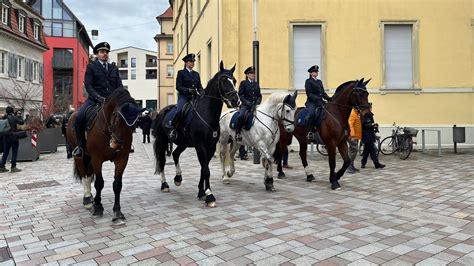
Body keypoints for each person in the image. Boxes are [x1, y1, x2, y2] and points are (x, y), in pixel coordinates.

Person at [72, 42, 123, 158]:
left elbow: (119, 85)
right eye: (102, 52)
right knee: (79, 117)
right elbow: (89, 86)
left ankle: (124, 143)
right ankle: (80, 146)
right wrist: (98, 97)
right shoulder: (91, 67)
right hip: (94, 100)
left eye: (106, 52)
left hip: (111, 101)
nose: (105, 54)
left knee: (125, 116)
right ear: (97, 54)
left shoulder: (114, 68)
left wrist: (121, 98)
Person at [168, 53, 203, 140]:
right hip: (184, 97)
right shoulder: (181, 73)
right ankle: (173, 129)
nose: (193, 63)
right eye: (191, 61)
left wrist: (203, 94)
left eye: (193, 61)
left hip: (194, 97)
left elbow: (199, 86)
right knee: (179, 111)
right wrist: (188, 90)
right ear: (186, 63)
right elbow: (178, 86)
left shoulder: (196, 74)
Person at [304, 65, 331, 141]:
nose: (316, 73)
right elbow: (309, 94)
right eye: (315, 72)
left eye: (317, 72)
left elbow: (323, 93)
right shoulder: (308, 81)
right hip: (311, 102)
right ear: (311, 73)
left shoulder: (319, 82)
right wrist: (318, 98)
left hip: (320, 102)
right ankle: (310, 132)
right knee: (311, 114)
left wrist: (330, 99)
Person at [236, 66, 261, 141]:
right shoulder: (243, 83)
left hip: (255, 105)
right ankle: (238, 132)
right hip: (246, 105)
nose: (253, 75)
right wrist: (247, 102)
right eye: (251, 73)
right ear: (247, 75)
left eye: (254, 73)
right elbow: (240, 95)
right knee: (241, 116)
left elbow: (259, 95)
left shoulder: (256, 84)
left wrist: (258, 102)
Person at [0, 106, 25, 173]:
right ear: (12, 111)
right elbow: (22, 122)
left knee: (5, 152)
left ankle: (2, 167)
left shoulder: (4, 117)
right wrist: (19, 115)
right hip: (13, 137)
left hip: (5, 137)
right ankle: (13, 167)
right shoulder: (14, 118)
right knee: (14, 152)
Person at [361, 105, 385, 169]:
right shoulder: (364, 116)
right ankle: (376, 164)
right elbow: (363, 126)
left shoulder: (370, 115)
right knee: (372, 150)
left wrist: (375, 126)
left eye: (371, 108)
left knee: (366, 150)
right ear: (367, 109)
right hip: (366, 135)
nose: (371, 109)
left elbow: (370, 124)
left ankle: (363, 163)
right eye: (370, 108)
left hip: (370, 135)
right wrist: (371, 125)